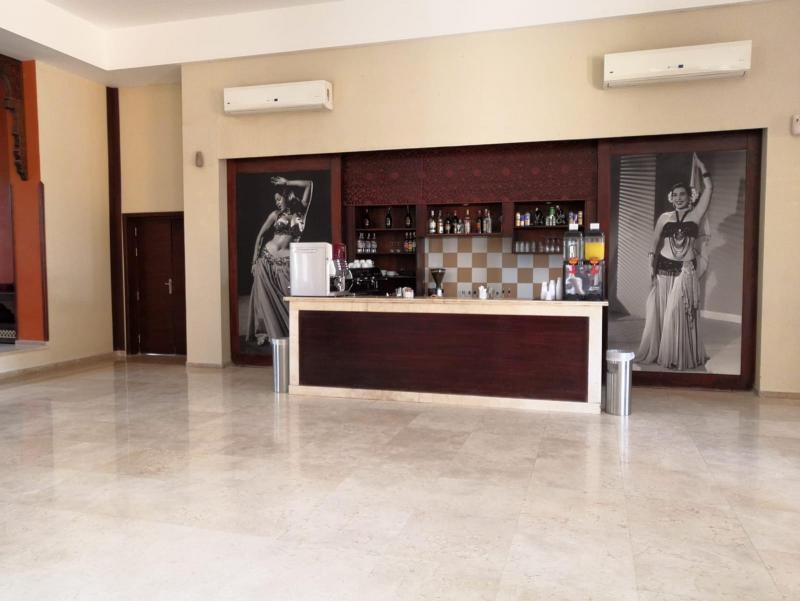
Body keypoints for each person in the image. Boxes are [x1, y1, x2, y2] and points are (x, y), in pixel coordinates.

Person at [635, 155, 711, 370]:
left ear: (690, 196)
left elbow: (709, 189)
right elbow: (654, 243)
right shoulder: (664, 217)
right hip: (663, 269)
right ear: (671, 197)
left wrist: (702, 168)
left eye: (682, 194)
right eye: (675, 195)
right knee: (662, 313)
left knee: (676, 312)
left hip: (685, 270)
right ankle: (662, 352)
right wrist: (650, 266)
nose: (678, 198)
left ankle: (677, 355)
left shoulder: (696, 214)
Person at [246, 176, 313, 345]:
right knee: (263, 299)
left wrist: (286, 183)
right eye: (275, 200)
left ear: (287, 195)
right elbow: (261, 235)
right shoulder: (275, 215)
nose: (276, 203)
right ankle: (265, 334)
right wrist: (254, 260)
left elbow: (309, 184)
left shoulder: (301, 211)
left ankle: (292, 334)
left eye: (278, 199)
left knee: (288, 298)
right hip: (267, 259)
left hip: (286, 262)